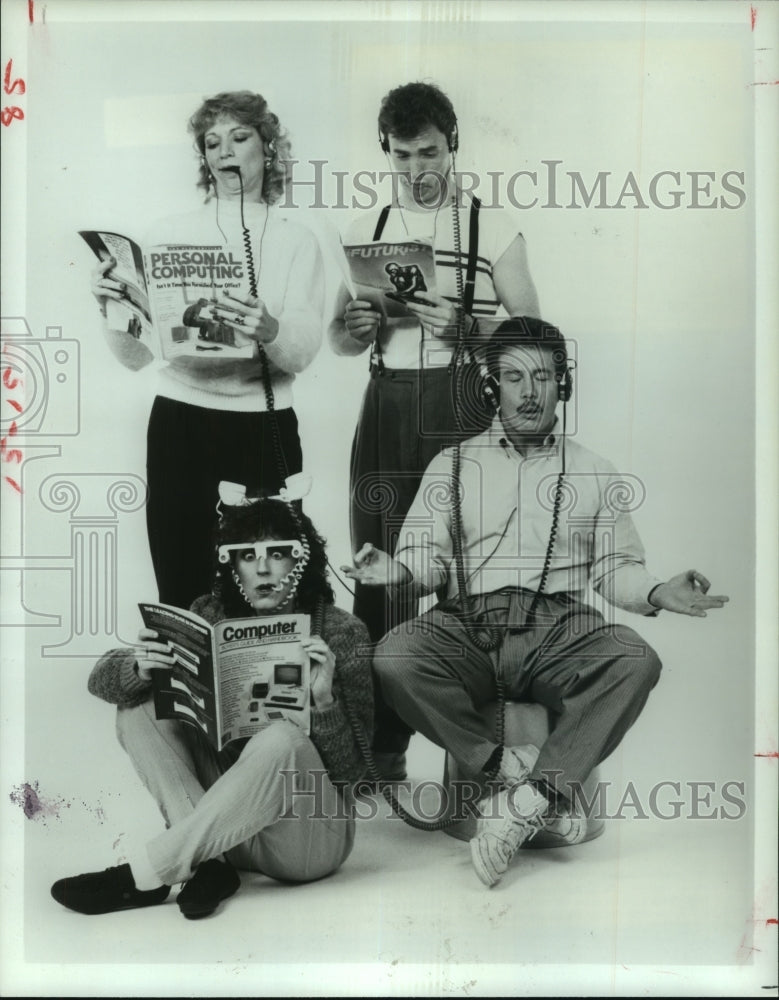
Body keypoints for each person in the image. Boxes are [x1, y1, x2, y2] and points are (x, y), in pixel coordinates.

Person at [343, 317, 729, 888]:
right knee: (394, 655)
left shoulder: (595, 470)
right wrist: (395, 570)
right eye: (514, 377)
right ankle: (502, 767)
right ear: (491, 386)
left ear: (562, 386)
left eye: (543, 377)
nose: (529, 392)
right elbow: (428, 564)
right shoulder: (450, 463)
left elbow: (614, 568)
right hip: (467, 624)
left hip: (561, 628)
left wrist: (656, 591)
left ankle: (529, 803)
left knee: (635, 658)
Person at [328, 81, 541, 780]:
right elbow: (342, 340)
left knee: (467, 568)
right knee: (380, 566)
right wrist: (353, 328)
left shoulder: (492, 224)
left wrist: (473, 328)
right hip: (386, 403)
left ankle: (470, 756)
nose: (417, 169)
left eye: (428, 152)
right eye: (401, 156)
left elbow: (535, 339)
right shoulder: (371, 223)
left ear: (453, 144)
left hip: (460, 406)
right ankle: (378, 749)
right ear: (385, 154)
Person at [51, 490, 372, 919]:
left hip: (305, 841)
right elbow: (99, 682)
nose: (262, 567)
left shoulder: (342, 632)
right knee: (137, 707)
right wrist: (138, 667)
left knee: (282, 739)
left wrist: (324, 700)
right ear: (232, 565)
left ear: (302, 561)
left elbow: (357, 780)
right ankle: (209, 868)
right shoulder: (211, 614)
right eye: (246, 555)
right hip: (226, 832)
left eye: (278, 553)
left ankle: (148, 872)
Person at [91, 90, 325, 610]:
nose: (224, 151)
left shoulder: (295, 240)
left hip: (261, 424)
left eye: (240, 138)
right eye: (212, 142)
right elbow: (136, 357)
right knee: (179, 577)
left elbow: (304, 352)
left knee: (270, 587)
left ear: (268, 149)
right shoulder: (168, 234)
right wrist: (110, 307)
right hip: (180, 422)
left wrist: (269, 328)